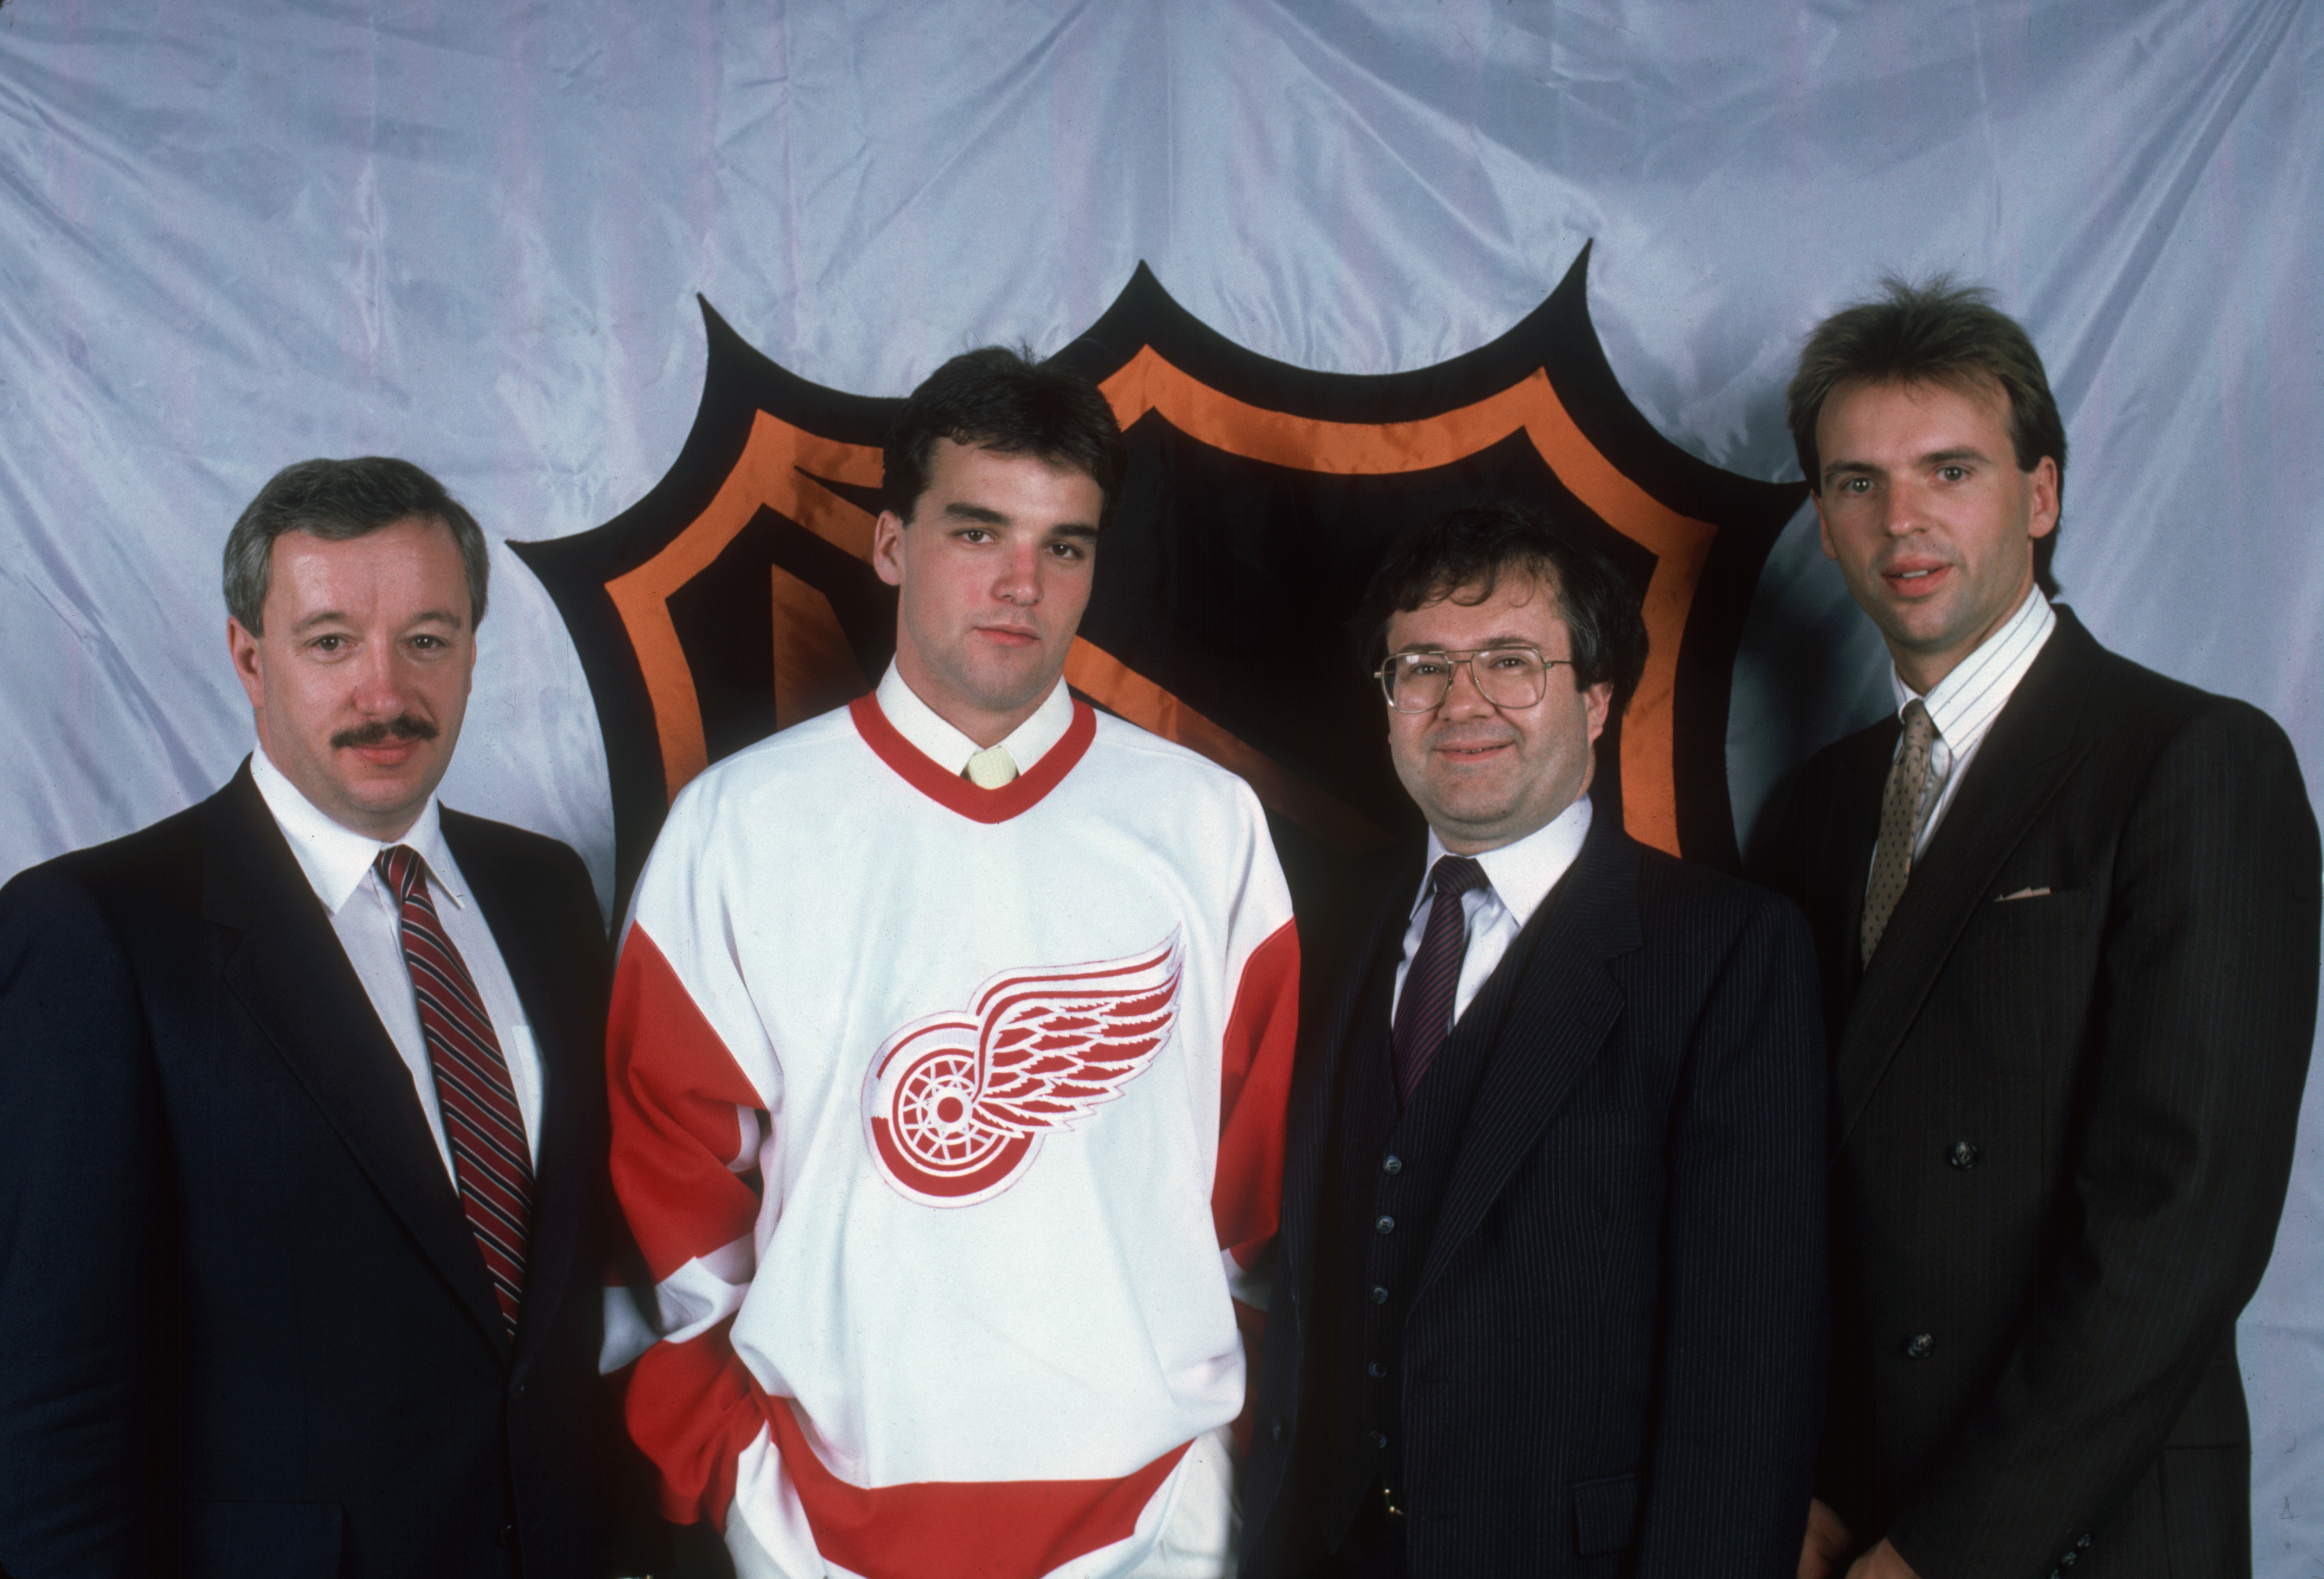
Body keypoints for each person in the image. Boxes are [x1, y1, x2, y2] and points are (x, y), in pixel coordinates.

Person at [607, 346, 1301, 1579]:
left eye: (1065, 545)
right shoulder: (739, 825)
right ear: (890, 543)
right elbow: (675, 1186)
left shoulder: (1205, 823)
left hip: (1157, 1520)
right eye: (978, 531)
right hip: (820, 1522)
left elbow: (1261, 1191)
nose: (1021, 583)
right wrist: (735, 1466)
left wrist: (1219, 1448)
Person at [1760, 277, 2321, 1579]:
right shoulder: (1812, 807)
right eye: (1855, 482)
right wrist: (1793, 1483)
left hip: (2078, 1522)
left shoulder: (2193, 759)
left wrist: (1946, 1549)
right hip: (1838, 1521)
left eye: (1947, 468)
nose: (1901, 519)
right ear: (1821, 523)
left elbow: (2178, 1226)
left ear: (2041, 494)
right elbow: (1777, 1196)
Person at [0, 458, 618, 1576]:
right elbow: (52, 1407)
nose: (385, 694)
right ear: (251, 656)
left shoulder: (547, 892)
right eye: (331, 641)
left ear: (475, 645)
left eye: (426, 639)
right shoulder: (97, 932)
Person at [1240, 503, 1827, 1578]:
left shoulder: (1728, 952)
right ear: (1385, 701)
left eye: (1511, 661)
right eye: (1420, 666)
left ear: (1596, 698)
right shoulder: (1320, 930)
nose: (1461, 702)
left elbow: (1748, 1377)